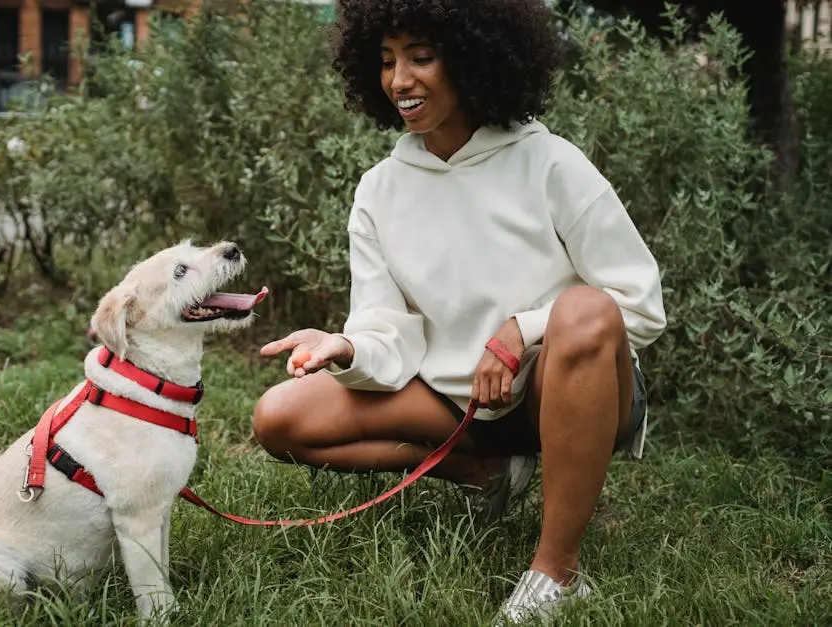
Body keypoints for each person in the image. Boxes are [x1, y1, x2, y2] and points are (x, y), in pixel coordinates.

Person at [252, 0, 667, 622]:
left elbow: (638, 303)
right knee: (279, 418)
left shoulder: (551, 162)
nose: (399, 80)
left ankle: (557, 570)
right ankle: (485, 471)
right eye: (387, 61)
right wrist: (349, 347)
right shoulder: (379, 189)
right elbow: (385, 325)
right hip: (459, 401)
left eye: (421, 57)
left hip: (564, 387)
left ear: (473, 59)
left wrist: (523, 329)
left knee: (583, 310)